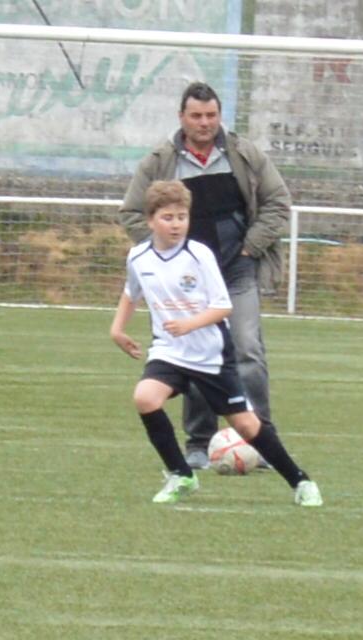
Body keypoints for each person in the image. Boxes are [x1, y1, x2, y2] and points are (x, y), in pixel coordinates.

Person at [109, 180, 322, 506]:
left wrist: (189, 324)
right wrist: (117, 330)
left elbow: (223, 307)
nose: (176, 224)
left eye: (182, 217)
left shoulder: (199, 255)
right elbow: (130, 292)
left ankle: (301, 480)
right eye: (168, 217)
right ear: (150, 220)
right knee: (145, 398)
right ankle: (181, 475)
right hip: (169, 351)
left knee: (246, 425)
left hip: (211, 355)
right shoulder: (139, 257)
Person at [120, 82, 291, 470]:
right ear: (181, 117)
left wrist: (251, 246)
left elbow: (278, 202)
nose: (204, 122)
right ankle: (199, 443)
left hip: (237, 269)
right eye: (196, 116)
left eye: (211, 115)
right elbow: (130, 213)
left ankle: (262, 439)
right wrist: (167, 254)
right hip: (188, 282)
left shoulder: (244, 154)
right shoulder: (159, 161)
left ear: (220, 116)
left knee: (247, 350)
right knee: (194, 355)